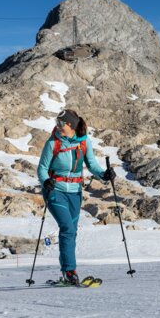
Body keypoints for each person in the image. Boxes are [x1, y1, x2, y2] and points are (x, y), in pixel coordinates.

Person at [37, 109, 116, 285]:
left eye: (60, 124)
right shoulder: (52, 143)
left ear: (71, 125)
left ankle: (68, 271)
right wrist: (45, 181)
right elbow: (42, 168)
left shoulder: (85, 142)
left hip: (75, 192)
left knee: (72, 232)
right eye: (56, 123)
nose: (57, 126)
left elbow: (92, 165)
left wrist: (104, 175)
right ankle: (69, 271)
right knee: (67, 228)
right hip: (55, 190)